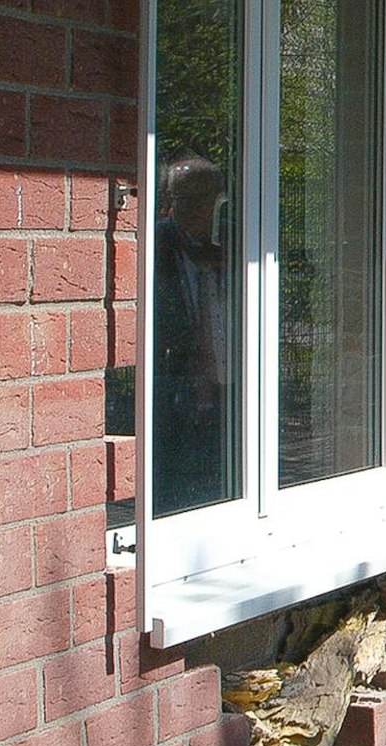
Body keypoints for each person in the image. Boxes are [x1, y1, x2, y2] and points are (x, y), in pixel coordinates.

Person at [152, 156, 237, 514]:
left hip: (227, 381)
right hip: (176, 381)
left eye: (207, 199)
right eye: (187, 199)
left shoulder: (236, 243)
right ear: (170, 201)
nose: (198, 208)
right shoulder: (158, 244)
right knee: (172, 478)